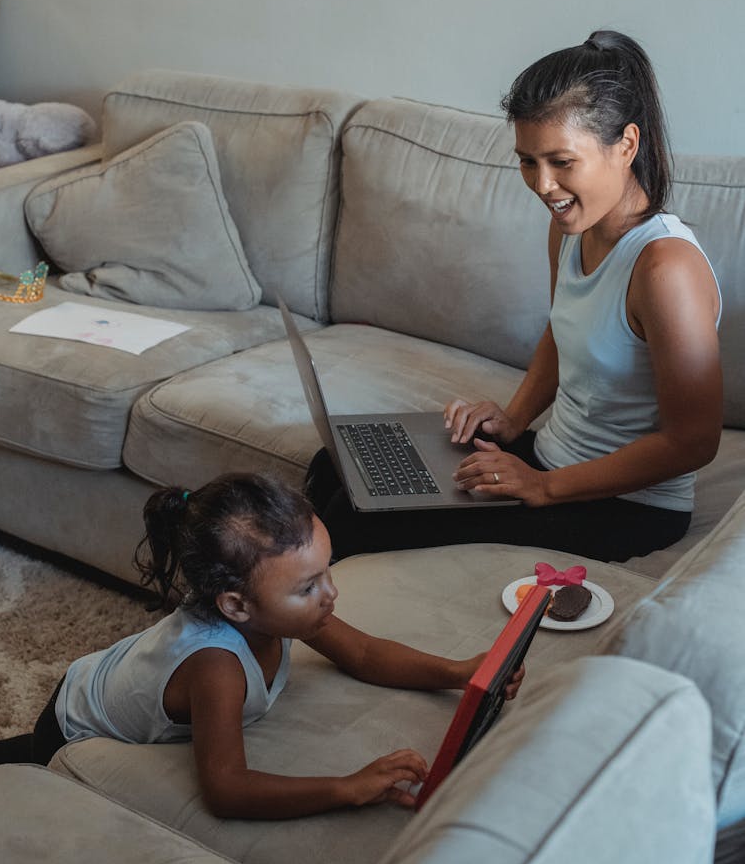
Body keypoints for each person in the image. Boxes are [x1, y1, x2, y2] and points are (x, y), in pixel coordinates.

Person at [307, 29, 722, 564]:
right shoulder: (571, 227)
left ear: (626, 145)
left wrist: (543, 487)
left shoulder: (666, 268)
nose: (544, 185)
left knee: (354, 522)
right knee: (338, 465)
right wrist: (513, 420)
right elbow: (562, 329)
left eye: (561, 162)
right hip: (550, 458)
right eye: (528, 161)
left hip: (626, 506)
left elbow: (692, 441)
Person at [0, 472, 523, 819]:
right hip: (74, 721)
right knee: (18, 773)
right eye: (308, 586)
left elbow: (364, 654)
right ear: (236, 606)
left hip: (113, 672)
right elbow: (226, 789)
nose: (331, 594)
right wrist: (347, 786)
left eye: (327, 571)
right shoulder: (216, 666)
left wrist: (462, 670)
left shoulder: (288, 614)